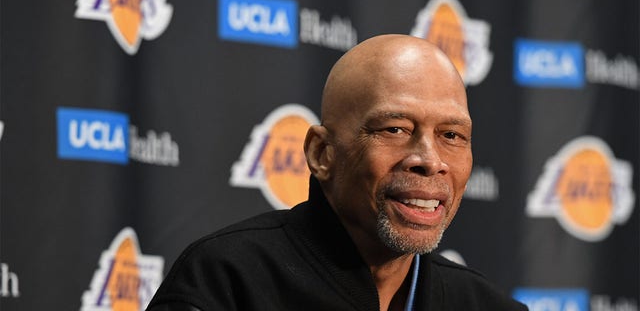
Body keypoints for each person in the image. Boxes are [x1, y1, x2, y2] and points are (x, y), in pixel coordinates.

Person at [147, 34, 528, 311]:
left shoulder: (487, 306)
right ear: (321, 153)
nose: (430, 160)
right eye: (394, 129)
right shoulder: (227, 281)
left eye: (452, 135)